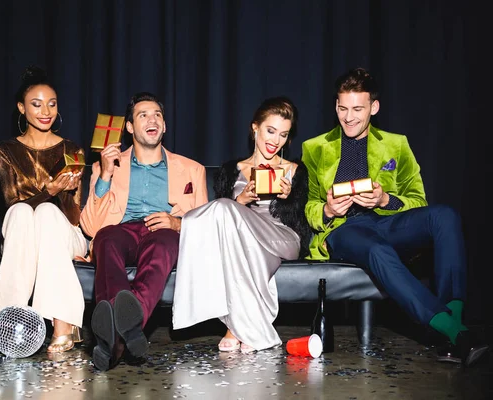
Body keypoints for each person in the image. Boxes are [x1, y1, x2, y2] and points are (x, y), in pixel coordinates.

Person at [301, 67, 489, 366]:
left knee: (445, 216)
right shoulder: (314, 148)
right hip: (344, 229)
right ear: (335, 105)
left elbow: (418, 201)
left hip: (387, 221)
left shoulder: (396, 144)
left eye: (357, 109)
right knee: (377, 249)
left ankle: (453, 323)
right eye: (342, 108)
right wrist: (326, 210)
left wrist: (385, 199)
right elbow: (308, 206)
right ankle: (455, 332)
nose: (348, 117)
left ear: (374, 107)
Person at [172, 96, 313, 353]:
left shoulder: (295, 170)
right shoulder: (231, 169)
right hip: (244, 241)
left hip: (282, 237)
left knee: (223, 208)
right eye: (270, 131)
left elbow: (301, 221)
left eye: (283, 135)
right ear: (255, 128)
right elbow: (221, 223)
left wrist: (289, 197)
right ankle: (245, 326)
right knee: (227, 214)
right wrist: (241, 200)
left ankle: (235, 328)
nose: (275, 141)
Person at [79, 92, 208, 371]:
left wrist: (178, 224)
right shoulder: (106, 166)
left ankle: (112, 343)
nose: (152, 119)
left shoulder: (192, 169)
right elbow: (90, 227)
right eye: (143, 115)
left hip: (164, 229)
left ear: (165, 126)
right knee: (105, 239)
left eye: (157, 115)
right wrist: (105, 176)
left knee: (163, 245)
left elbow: (207, 224)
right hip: (122, 230)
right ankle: (129, 331)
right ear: (129, 127)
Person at [0, 65, 88, 354]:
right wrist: (51, 190)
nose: (45, 110)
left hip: (64, 232)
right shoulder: (7, 151)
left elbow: (74, 217)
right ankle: (13, 321)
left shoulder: (71, 149)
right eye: (36, 104)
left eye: (52, 103)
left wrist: (68, 192)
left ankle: (64, 323)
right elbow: (13, 205)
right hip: (22, 231)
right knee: (24, 214)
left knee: (47, 214)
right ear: (22, 108)